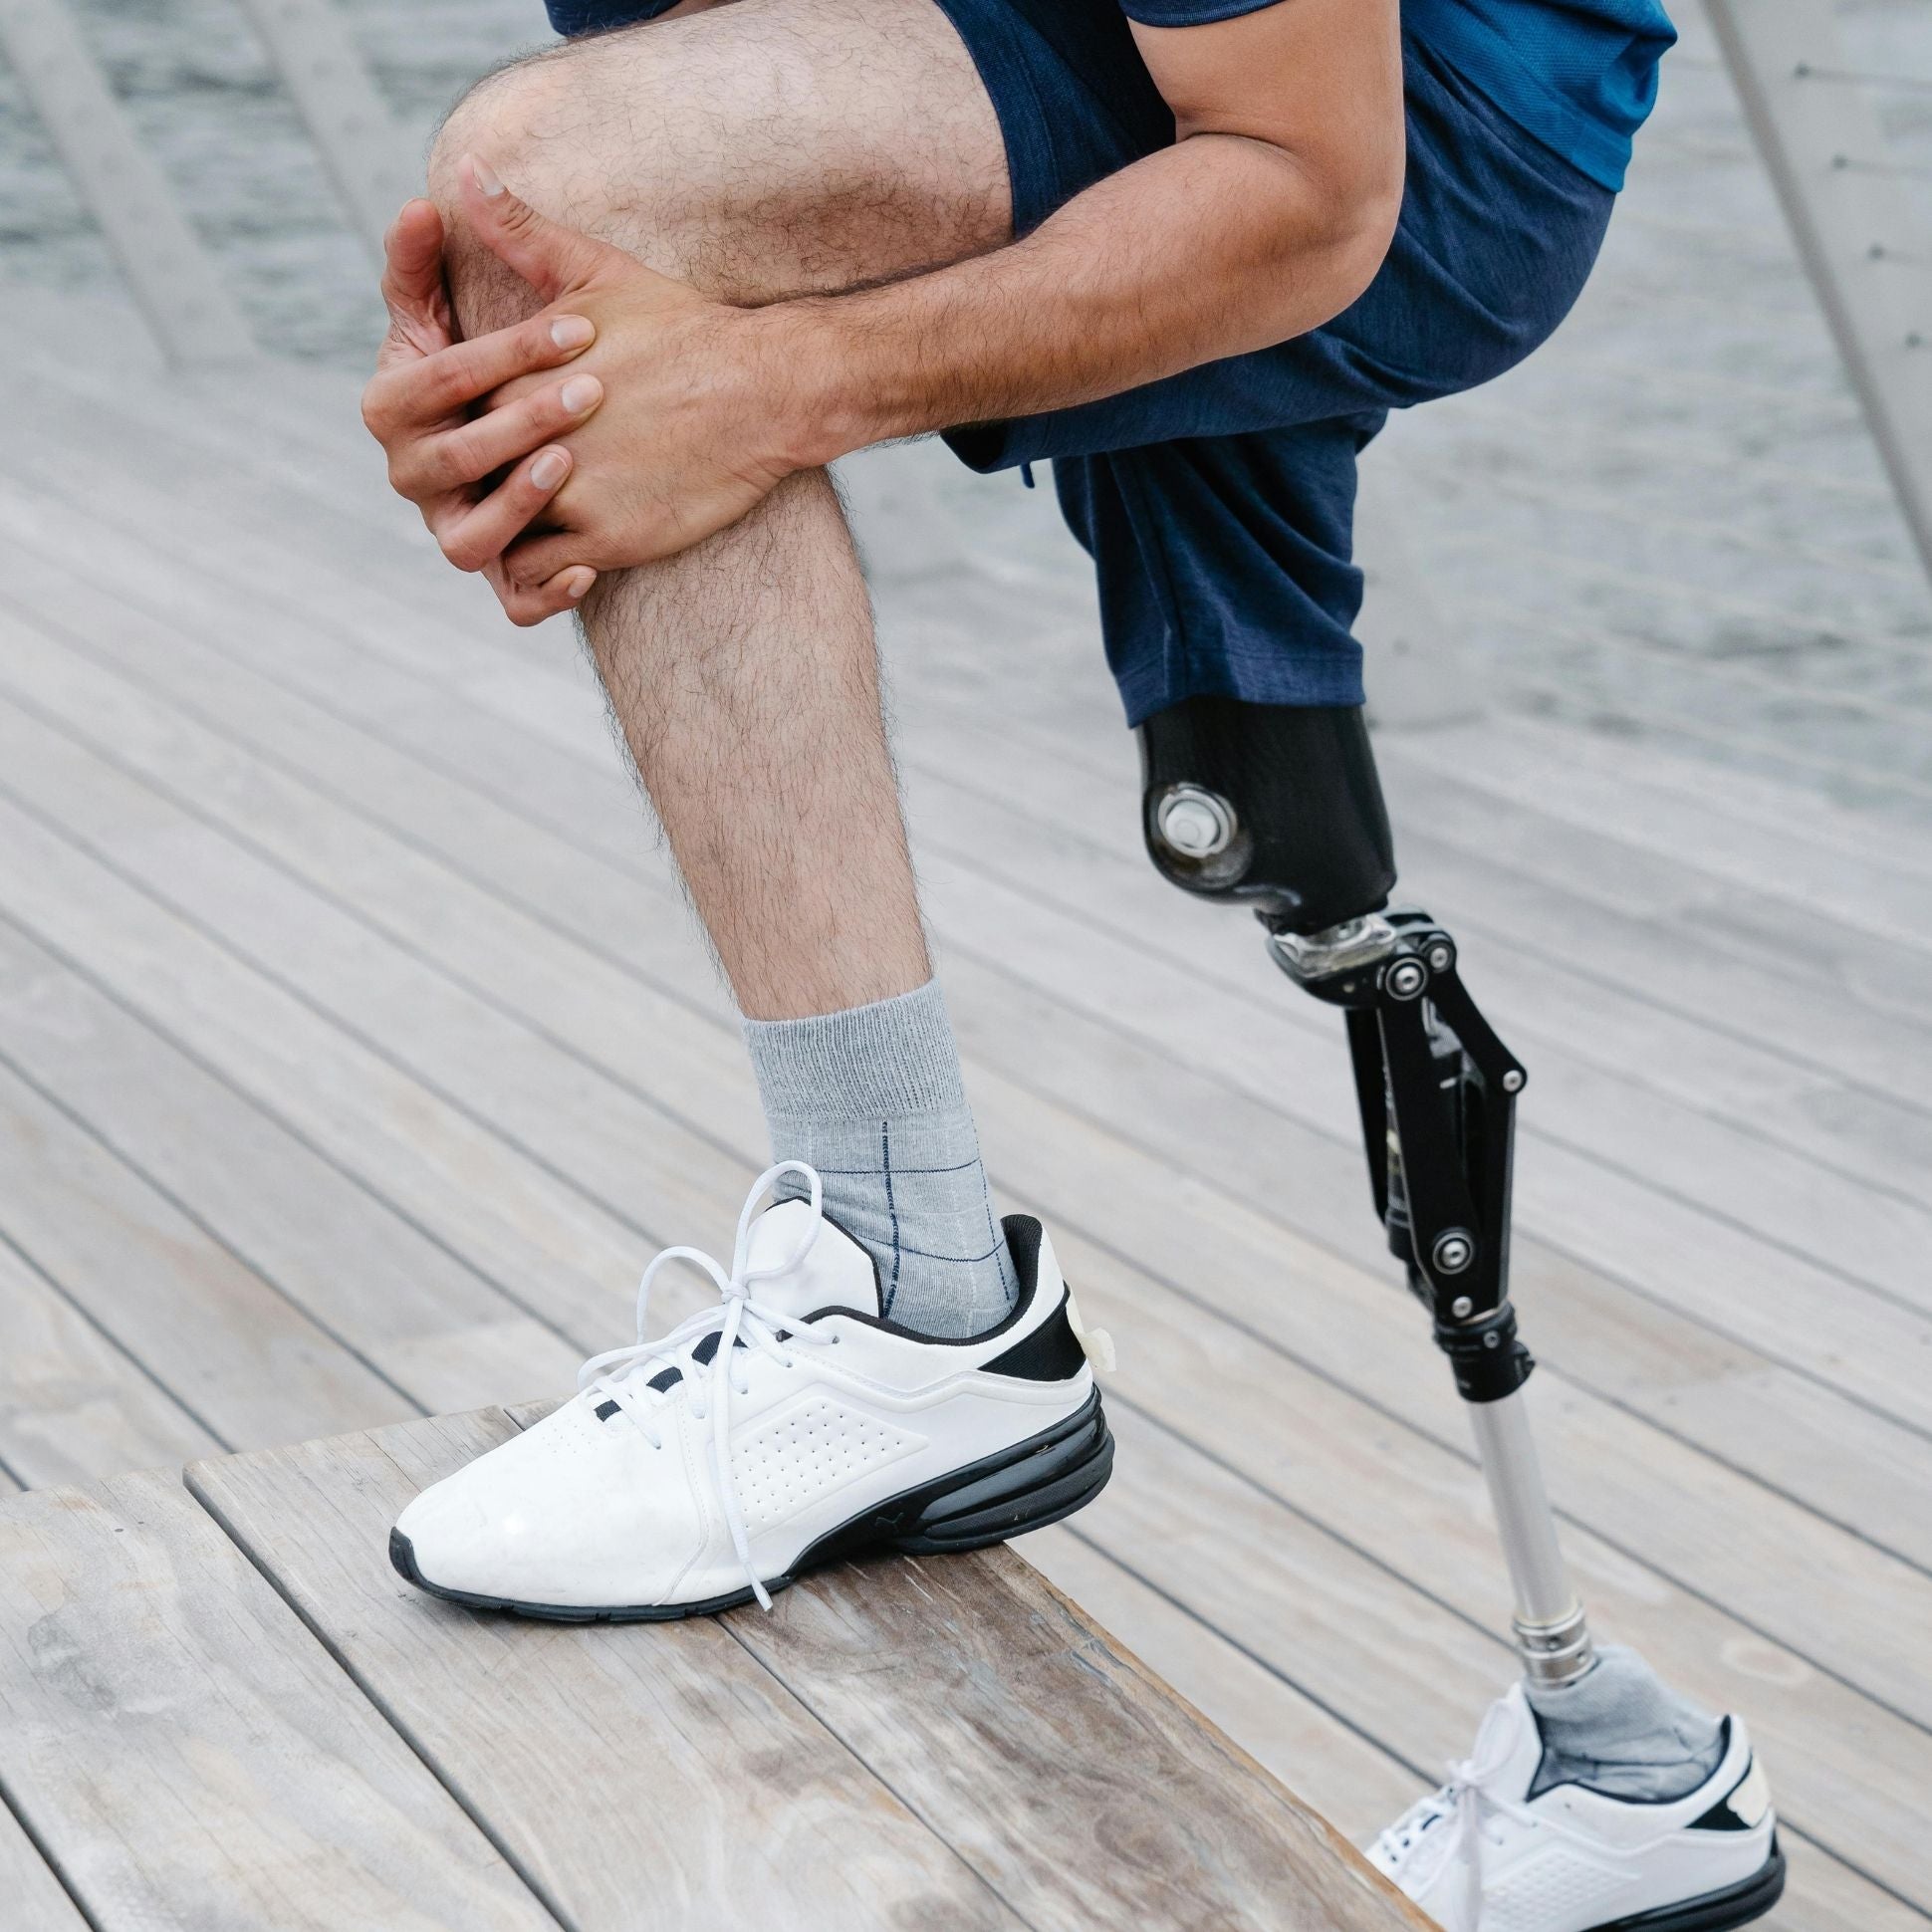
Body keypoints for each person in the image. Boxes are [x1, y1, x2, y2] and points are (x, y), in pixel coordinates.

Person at [362, 1, 1782, 1925]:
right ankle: (1622, 1780)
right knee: (554, 231)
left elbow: (1305, 192)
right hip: (1160, 65)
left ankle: (912, 1289)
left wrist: (755, 390)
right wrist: (509, 391)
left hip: (1415, 137)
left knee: (577, 184)